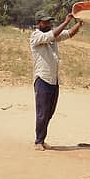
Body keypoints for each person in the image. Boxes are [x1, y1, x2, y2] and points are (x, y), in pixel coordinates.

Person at [29, 11, 82, 151]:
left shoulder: (53, 36)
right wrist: (65, 21)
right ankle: (38, 141)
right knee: (42, 112)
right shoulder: (36, 35)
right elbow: (52, 35)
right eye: (45, 22)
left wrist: (80, 23)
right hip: (42, 79)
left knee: (49, 112)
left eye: (49, 22)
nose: (48, 24)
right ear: (38, 23)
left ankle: (42, 139)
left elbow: (70, 33)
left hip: (53, 80)